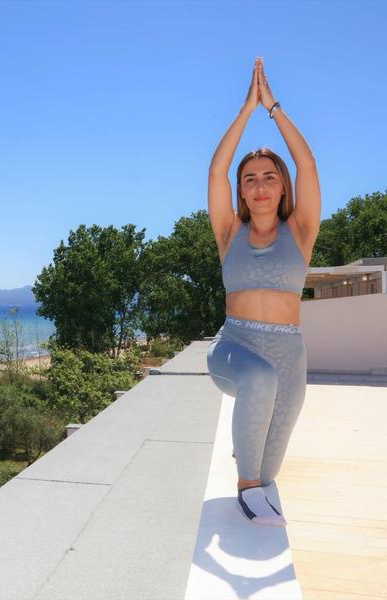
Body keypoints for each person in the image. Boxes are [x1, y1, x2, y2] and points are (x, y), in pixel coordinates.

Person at [206, 57, 321, 527]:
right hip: (235, 346)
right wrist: (246, 108)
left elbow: (307, 161)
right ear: (241, 190)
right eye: (249, 178)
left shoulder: (300, 232)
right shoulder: (229, 232)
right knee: (257, 382)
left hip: (289, 355)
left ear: (282, 186)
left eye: (269, 176)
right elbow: (216, 171)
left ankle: (255, 474)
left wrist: (272, 107)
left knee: (270, 470)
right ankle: (245, 488)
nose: (258, 185)